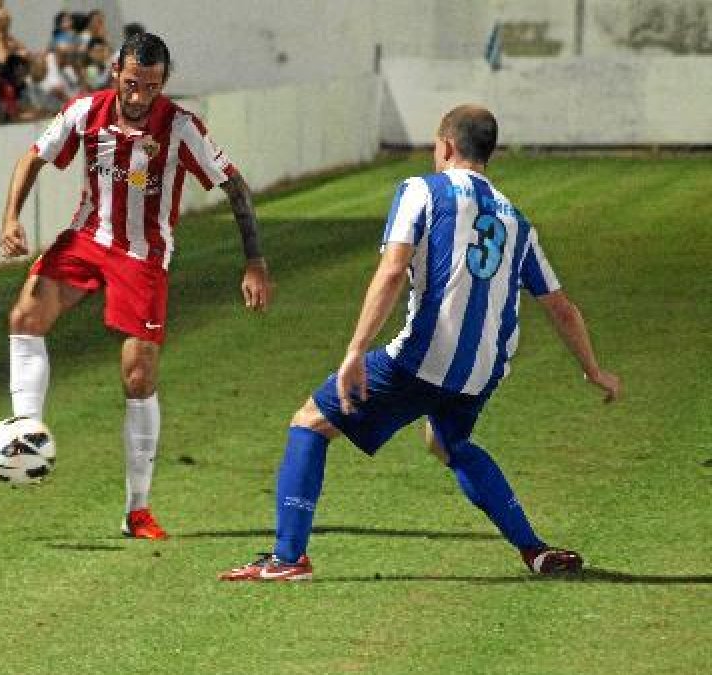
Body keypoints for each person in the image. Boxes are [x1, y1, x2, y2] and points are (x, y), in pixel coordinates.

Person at [219, 104, 622, 581]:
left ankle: (288, 559)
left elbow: (392, 271)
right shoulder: (516, 220)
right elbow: (561, 307)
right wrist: (593, 369)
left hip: (424, 358)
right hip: (483, 369)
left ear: (446, 145)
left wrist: (355, 350)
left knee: (310, 421)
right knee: (448, 441)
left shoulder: (422, 191)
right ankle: (534, 549)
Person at [0, 32, 272, 540]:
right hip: (88, 238)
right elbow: (32, 158)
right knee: (26, 316)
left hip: (144, 256)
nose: (138, 96)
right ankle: (25, 435)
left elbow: (234, 186)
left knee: (138, 376)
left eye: (151, 87)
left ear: (163, 83)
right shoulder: (85, 112)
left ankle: (138, 510)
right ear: (115, 73)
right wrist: (10, 219)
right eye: (132, 83)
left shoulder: (180, 127)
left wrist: (255, 262)